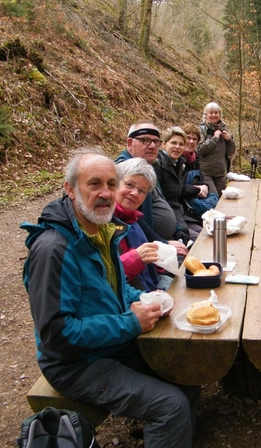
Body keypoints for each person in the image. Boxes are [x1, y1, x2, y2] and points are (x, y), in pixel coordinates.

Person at [21, 147, 200, 448]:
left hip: (109, 344)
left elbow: (115, 288)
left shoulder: (102, 231)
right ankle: (170, 428)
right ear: (70, 189)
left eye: (111, 184)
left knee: (186, 374)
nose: (105, 193)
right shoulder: (54, 249)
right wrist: (131, 323)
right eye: (94, 184)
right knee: (170, 406)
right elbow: (57, 334)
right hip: (77, 364)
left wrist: (144, 296)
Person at [115, 120, 189, 255]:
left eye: (156, 142)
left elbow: (163, 200)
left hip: (162, 241)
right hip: (144, 250)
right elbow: (133, 219)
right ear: (130, 143)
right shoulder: (125, 172)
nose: (152, 146)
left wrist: (178, 229)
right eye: (145, 140)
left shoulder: (148, 169)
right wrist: (163, 243)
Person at [114, 157, 168, 292]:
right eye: (129, 185)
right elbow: (100, 276)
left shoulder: (132, 219)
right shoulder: (100, 221)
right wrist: (136, 258)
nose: (134, 193)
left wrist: (159, 262)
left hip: (151, 286)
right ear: (114, 183)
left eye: (142, 191)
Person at [154, 126, 204, 240]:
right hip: (167, 220)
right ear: (164, 144)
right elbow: (163, 199)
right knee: (201, 241)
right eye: (173, 143)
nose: (177, 147)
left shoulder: (178, 164)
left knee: (205, 233)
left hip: (178, 214)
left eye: (181, 144)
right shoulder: (158, 164)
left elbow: (178, 190)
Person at [197, 102, 236, 196]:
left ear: (220, 114)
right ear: (206, 114)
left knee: (223, 199)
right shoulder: (202, 130)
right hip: (206, 172)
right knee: (213, 197)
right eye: (211, 113)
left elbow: (230, 152)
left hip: (220, 173)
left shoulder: (224, 130)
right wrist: (214, 139)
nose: (214, 115)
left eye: (216, 113)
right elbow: (199, 150)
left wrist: (229, 140)